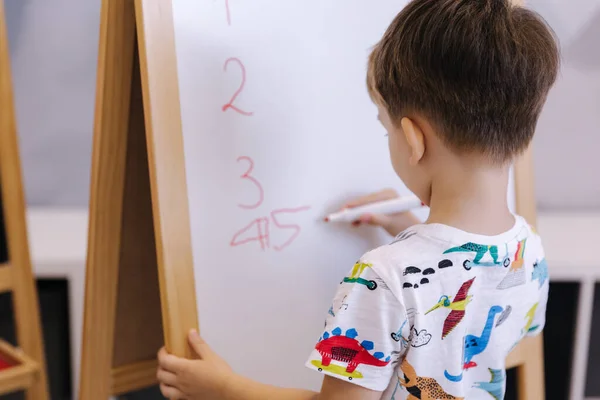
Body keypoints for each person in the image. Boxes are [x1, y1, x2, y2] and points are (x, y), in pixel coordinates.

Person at [156, 0, 559, 398]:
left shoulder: (382, 276)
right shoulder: (528, 251)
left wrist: (222, 387)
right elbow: (479, 311)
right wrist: (405, 226)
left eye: (387, 132)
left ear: (414, 139)